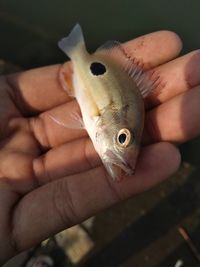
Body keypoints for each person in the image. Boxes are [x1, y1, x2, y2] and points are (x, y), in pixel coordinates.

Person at [0, 30, 200, 266]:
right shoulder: (106, 114)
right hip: (91, 72)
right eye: (123, 138)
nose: (125, 156)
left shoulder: (113, 118)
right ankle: (78, 51)